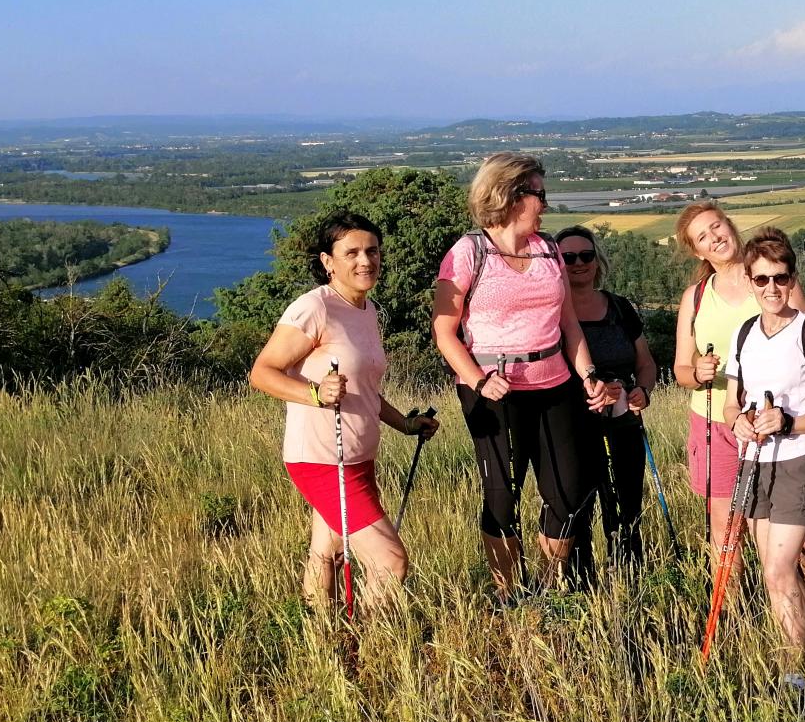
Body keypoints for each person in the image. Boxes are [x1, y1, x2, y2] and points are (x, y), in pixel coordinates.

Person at [432, 153, 613, 594]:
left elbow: (567, 322)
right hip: (494, 392)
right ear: (512, 195)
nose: (546, 204)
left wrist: (587, 374)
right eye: (540, 194)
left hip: (555, 384)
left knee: (569, 493)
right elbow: (444, 331)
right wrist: (477, 379)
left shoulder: (549, 249)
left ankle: (552, 587)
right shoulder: (467, 253)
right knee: (502, 494)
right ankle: (509, 592)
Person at [248, 212, 438, 608]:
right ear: (327, 261)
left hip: (357, 456)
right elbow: (263, 373)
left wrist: (405, 423)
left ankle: (326, 640)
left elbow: (364, 391)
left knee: (328, 554)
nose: (365, 260)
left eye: (372, 251)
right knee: (389, 561)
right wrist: (317, 394)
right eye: (351, 252)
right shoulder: (314, 308)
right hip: (321, 458)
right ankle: (367, 645)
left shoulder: (366, 310)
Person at [719, 228, 805, 689]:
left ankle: (797, 669)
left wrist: (790, 423)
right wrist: (738, 421)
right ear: (750, 282)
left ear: (793, 279)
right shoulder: (744, 333)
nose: (772, 289)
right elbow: (733, 401)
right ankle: (801, 650)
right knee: (771, 567)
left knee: (778, 569)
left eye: (780, 278)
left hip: (798, 460)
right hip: (755, 462)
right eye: (761, 280)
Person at [673, 202, 805, 567]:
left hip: (774, 422)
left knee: (790, 531)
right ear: (696, 250)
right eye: (703, 236)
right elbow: (681, 370)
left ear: (729, 225)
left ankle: (804, 612)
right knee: (726, 529)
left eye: (716, 226)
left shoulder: (773, 280)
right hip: (715, 422)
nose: (714, 238)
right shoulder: (696, 297)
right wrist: (698, 372)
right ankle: (735, 616)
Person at [554, 224, 660, 573]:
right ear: (556, 263)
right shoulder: (551, 313)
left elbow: (645, 363)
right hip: (572, 424)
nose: (578, 263)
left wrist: (641, 391)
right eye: (567, 257)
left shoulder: (619, 307)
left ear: (596, 261)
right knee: (577, 504)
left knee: (628, 502)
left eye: (585, 255)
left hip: (624, 422)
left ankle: (629, 573)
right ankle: (580, 580)